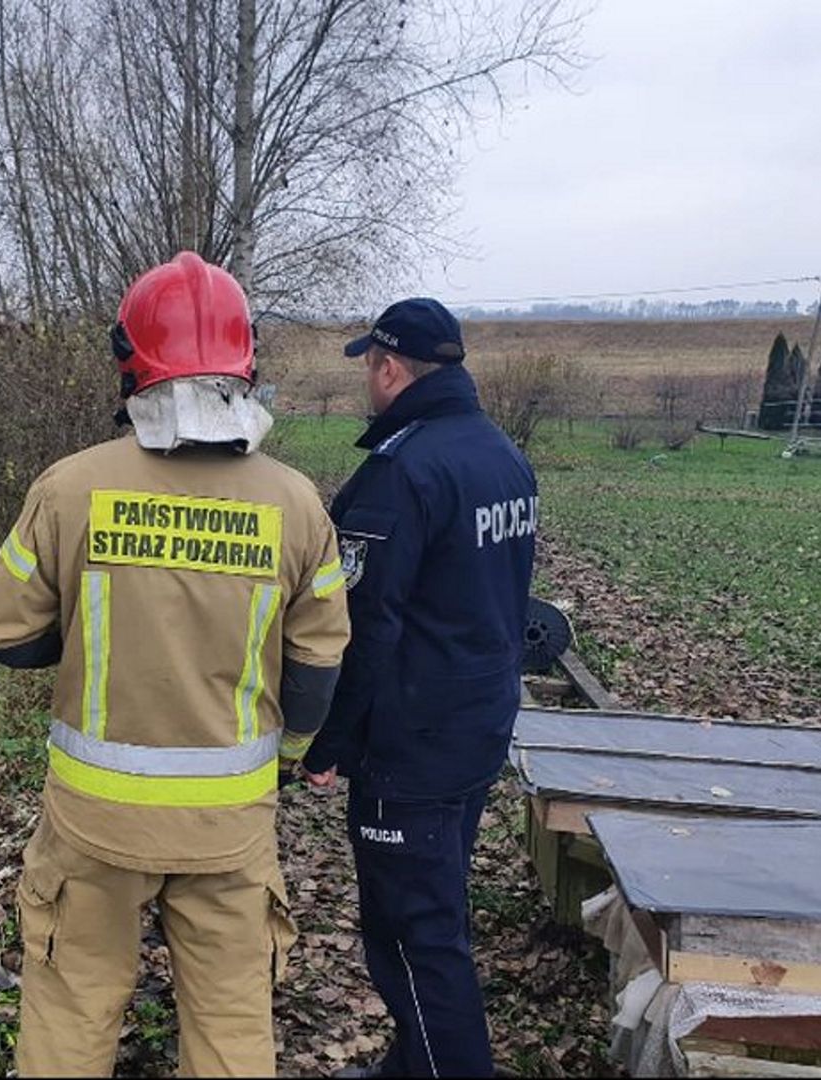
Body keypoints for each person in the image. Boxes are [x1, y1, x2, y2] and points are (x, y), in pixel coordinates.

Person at [0, 251, 351, 1077]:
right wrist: (285, 763)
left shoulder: (69, 488)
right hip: (229, 825)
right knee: (229, 1021)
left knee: (72, 1011)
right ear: (245, 360)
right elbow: (319, 663)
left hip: (92, 824)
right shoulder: (294, 503)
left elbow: (3, 636)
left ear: (128, 361)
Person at [301, 298, 537, 1079]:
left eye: (370, 364)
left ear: (391, 368)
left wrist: (327, 741)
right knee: (432, 912)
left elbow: (362, 626)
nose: (369, 378)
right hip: (475, 724)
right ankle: (412, 1064)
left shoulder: (401, 473)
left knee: (412, 938)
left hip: (414, 743)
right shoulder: (500, 455)